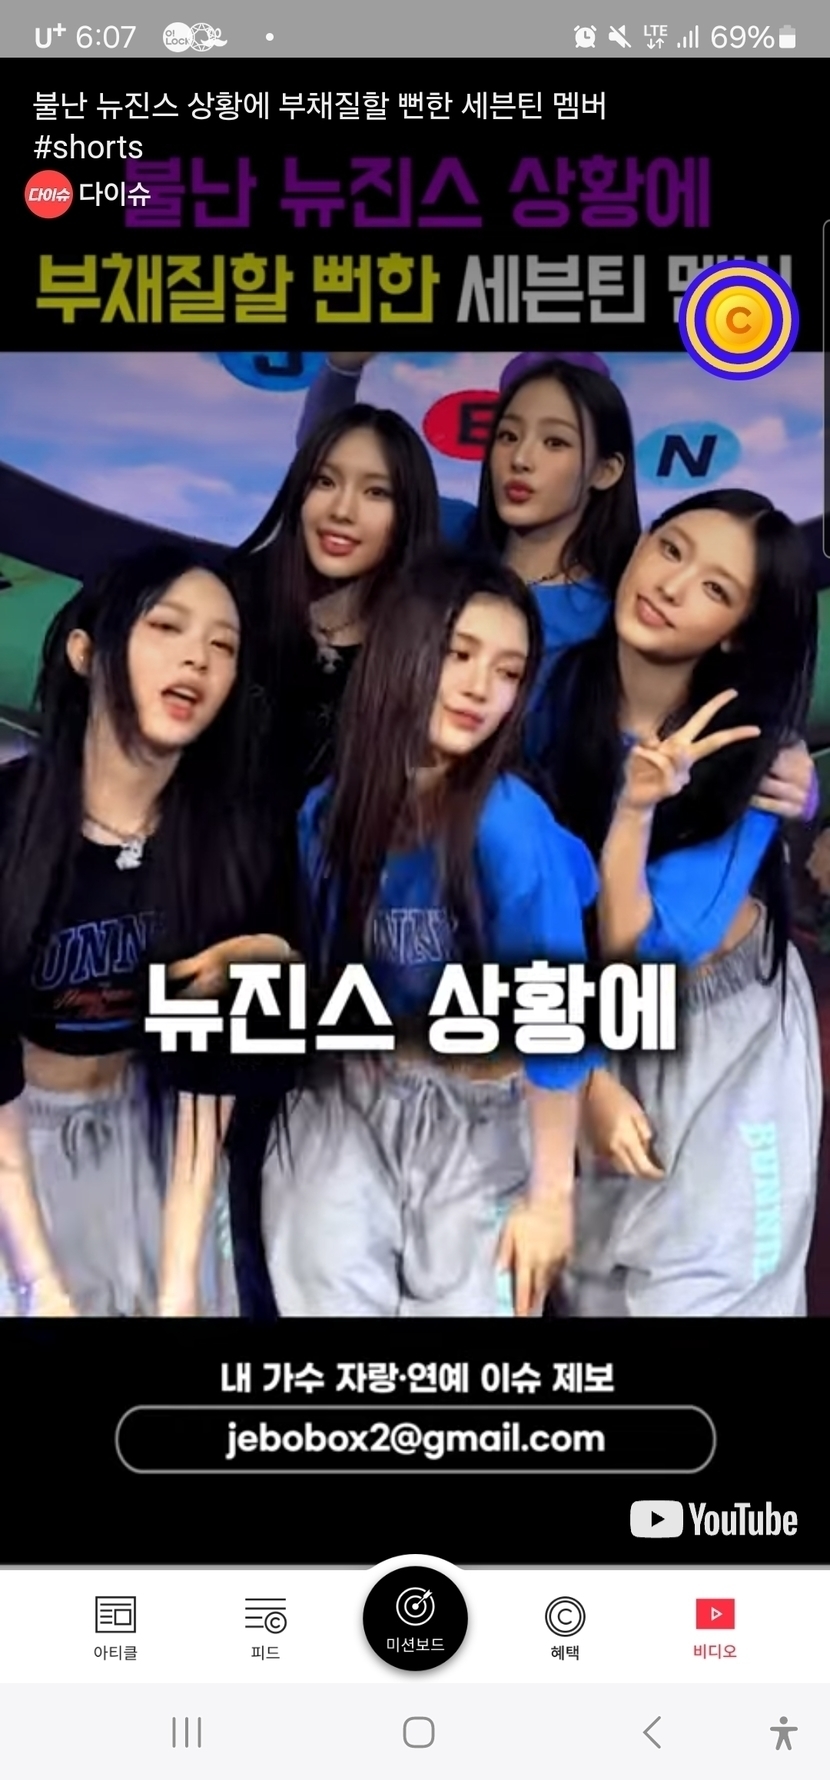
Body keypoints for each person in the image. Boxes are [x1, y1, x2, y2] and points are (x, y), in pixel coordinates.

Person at [258, 547, 601, 1318]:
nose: (482, 688)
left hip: (483, 1113)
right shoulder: (325, 813)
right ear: (404, 649)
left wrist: (551, 1197)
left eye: (509, 672)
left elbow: (558, 1021)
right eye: (459, 653)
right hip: (351, 1097)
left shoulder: (510, 825)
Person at [292, 352, 818, 826]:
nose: (521, 459)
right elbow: (333, 469)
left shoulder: (627, 612)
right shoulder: (445, 532)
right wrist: (342, 368)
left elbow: (714, 698)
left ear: (606, 471)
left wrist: (791, 763)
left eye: (555, 442)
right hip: (369, 822)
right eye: (507, 436)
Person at [533, 490, 821, 1316]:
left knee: (712, 1291)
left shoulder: (751, 752)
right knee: (587, 1291)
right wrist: (586, 1077)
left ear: (736, 631)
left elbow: (645, 956)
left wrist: (635, 810)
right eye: (670, 549)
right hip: (576, 1015)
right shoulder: (553, 686)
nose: (671, 584)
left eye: (715, 588)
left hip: (717, 1031)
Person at [0, 547, 282, 1318]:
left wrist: (179, 1281)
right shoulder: (11, 824)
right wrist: (39, 1283)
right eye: (166, 626)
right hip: (17, 1138)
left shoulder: (237, 846)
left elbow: (211, 1077)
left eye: (223, 645)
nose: (197, 657)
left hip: (154, 1128)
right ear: (85, 653)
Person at [232, 404, 440, 804]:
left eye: (376, 492)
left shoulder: (423, 655)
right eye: (325, 482)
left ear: (409, 514)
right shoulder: (231, 602)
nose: (342, 511)